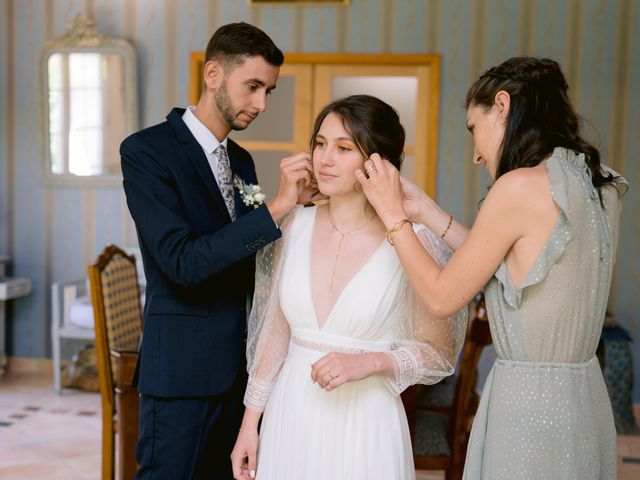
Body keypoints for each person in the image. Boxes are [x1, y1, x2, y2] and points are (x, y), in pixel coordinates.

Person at [357, 57, 628, 479]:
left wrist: (394, 218)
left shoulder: (516, 187)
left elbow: (442, 296)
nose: (475, 154)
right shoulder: (600, 183)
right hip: (584, 398)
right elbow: (515, 262)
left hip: (530, 406)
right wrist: (425, 212)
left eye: (473, 128)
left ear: (502, 106)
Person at [230, 94, 468, 480]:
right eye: (320, 144)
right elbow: (274, 334)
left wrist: (370, 362)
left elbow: (438, 352)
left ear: (377, 161)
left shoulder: (410, 239)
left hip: (366, 423)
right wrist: (248, 427)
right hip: (291, 415)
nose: (325, 159)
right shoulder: (293, 227)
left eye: (343, 148)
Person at [120, 22, 321, 479]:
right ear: (213, 74)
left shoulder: (242, 160)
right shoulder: (146, 151)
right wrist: (276, 208)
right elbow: (182, 263)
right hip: (181, 374)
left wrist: (297, 214)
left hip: (239, 370)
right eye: (252, 87)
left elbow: (245, 258)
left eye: (268, 90)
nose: (261, 104)